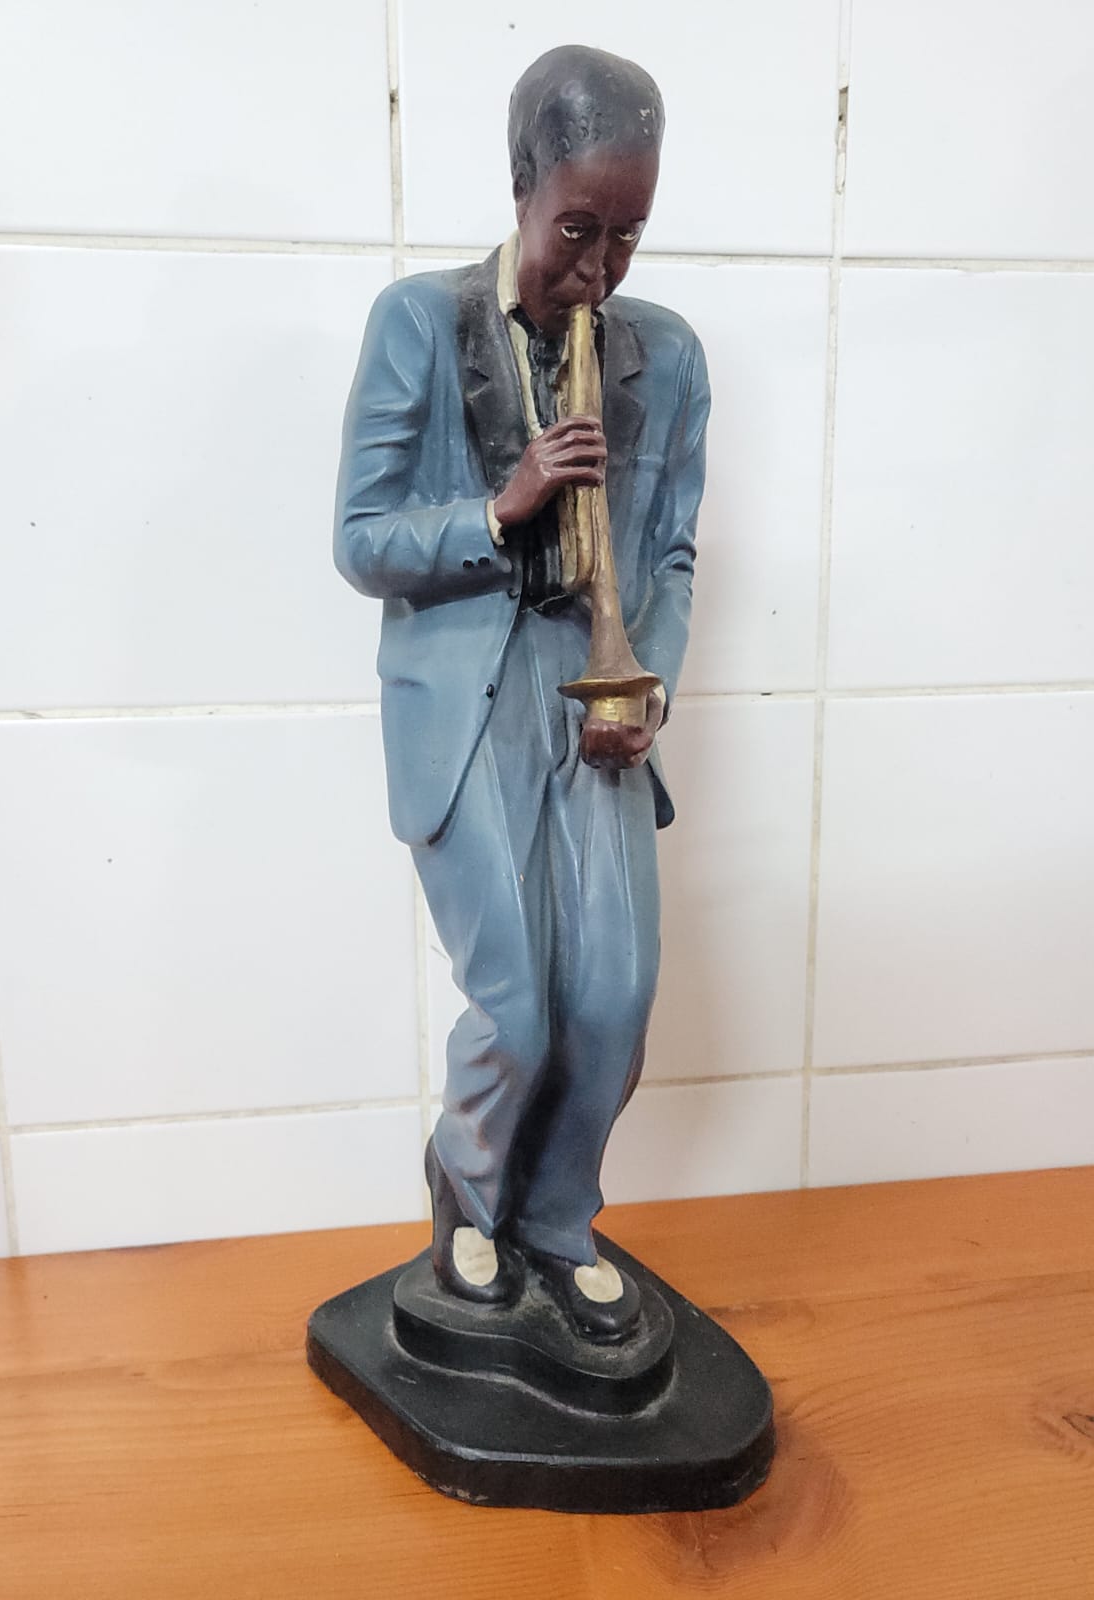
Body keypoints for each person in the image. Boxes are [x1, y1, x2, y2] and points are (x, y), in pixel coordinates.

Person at [334, 44, 709, 1342]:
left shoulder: (670, 356)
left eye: (629, 234)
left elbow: (673, 554)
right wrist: (504, 506)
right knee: (516, 1003)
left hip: (598, 689)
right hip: (473, 687)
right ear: (520, 186)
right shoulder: (417, 323)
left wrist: (647, 679)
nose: (601, 268)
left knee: (614, 995)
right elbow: (361, 538)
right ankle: (472, 1196)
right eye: (578, 230)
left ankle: (558, 1219)